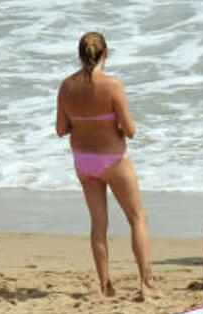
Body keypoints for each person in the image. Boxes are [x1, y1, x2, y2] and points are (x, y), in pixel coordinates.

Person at [56, 32, 160, 300]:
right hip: (113, 159)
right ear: (106, 54)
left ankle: (105, 285)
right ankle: (146, 284)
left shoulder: (66, 87)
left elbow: (60, 129)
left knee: (98, 223)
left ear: (80, 55)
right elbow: (130, 130)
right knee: (137, 218)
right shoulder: (112, 85)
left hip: (83, 160)